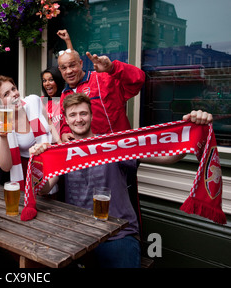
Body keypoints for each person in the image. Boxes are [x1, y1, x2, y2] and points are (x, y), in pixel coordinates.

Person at [32, 93, 213, 268]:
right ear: (66, 119)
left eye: (83, 113)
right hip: (78, 233)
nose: (78, 119)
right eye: (73, 115)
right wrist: (38, 163)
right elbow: (44, 189)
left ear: (92, 115)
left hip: (118, 234)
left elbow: (168, 157)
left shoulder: (113, 145)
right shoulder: (63, 151)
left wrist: (192, 128)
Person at [56, 31, 145, 141]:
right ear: (60, 70)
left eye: (72, 65)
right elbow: (65, 121)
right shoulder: (64, 94)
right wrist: (65, 133)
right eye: (64, 68)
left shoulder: (103, 79)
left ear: (81, 63)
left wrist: (112, 68)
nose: (69, 71)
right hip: (88, 153)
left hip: (117, 148)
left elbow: (138, 79)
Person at [0, 75, 55, 189]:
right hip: (27, 174)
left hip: (51, 163)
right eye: (6, 94)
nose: (14, 94)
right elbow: (6, 167)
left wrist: (60, 140)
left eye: (13, 89)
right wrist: (3, 137)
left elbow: (49, 124)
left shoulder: (33, 102)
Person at [40, 66, 65, 140]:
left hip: (62, 145)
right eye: (44, 81)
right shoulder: (40, 101)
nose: (47, 83)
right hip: (44, 146)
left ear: (58, 81)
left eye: (51, 80)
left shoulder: (66, 99)